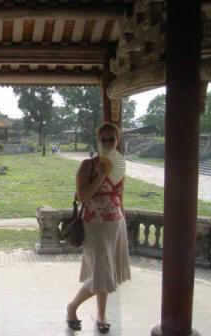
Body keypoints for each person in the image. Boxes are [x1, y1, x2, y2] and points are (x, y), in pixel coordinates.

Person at [66, 122, 131, 334]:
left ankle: (101, 314)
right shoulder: (88, 165)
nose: (108, 143)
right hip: (94, 224)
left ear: (117, 141)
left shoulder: (120, 166)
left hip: (116, 223)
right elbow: (82, 195)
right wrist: (101, 175)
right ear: (98, 141)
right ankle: (72, 307)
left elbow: (120, 196)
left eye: (112, 139)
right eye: (103, 139)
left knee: (106, 270)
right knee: (101, 272)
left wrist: (122, 217)